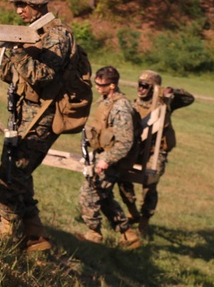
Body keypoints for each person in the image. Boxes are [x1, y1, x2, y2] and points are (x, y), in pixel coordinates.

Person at [0, 0, 71, 252]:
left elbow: (43, 76)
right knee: (17, 169)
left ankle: (5, 229)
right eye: (16, 5)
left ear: (37, 3)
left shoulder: (57, 34)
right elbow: (13, 76)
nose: (18, 10)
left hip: (42, 117)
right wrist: (1, 54)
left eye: (22, 4)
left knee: (14, 171)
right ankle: (36, 235)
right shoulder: (31, 32)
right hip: (24, 115)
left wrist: (13, 50)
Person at [117, 70, 194, 237]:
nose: (141, 89)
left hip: (156, 151)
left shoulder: (164, 104)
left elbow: (189, 99)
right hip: (137, 149)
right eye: (139, 84)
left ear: (154, 88)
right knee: (121, 177)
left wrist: (172, 92)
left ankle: (145, 220)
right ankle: (132, 211)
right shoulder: (133, 104)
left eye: (145, 86)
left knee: (150, 182)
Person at [79, 66, 142, 248]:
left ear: (112, 86)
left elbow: (125, 143)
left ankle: (94, 234)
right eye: (96, 83)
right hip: (105, 155)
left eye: (101, 84)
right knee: (104, 197)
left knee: (88, 194)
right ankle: (129, 235)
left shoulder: (121, 108)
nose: (97, 87)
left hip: (115, 160)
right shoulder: (107, 100)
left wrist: (106, 160)